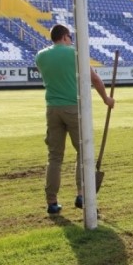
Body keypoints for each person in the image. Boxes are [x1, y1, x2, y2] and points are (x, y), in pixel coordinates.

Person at [36, 24, 115, 214]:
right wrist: (107, 99)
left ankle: (52, 201)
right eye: (69, 37)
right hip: (73, 107)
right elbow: (95, 79)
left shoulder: (41, 56)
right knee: (84, 151)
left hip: (52, 109)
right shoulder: (75, 54)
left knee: (54, 156)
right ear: (64, 37)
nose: (71, 40)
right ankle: (81, 194)